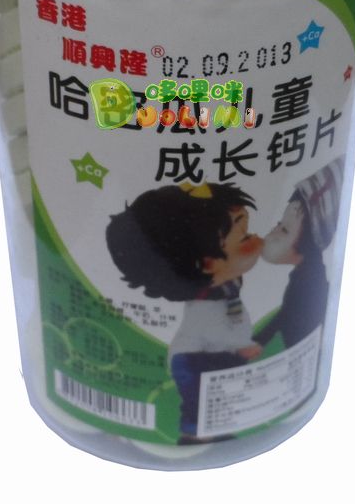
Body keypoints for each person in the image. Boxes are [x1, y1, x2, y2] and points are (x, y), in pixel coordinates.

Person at [106, 181, 264, 443]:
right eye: (244, 236)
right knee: (198, 408)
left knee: (215, 403)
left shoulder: (227, 286)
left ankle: (208, 433)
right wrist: (241, 347)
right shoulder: (206, 303)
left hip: (208, 356)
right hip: (193, 362)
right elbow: (211, 331)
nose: (257, 239)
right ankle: (193, 439)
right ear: (207, 263)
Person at [254, 157, 345, 351]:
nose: (273, 231)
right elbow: (286, 313)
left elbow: (288, 314)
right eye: (280, 225)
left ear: (307, 243)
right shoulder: (304, 277)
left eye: (284, 229)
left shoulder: (309, 280)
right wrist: (260, 340)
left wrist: (260, 340)